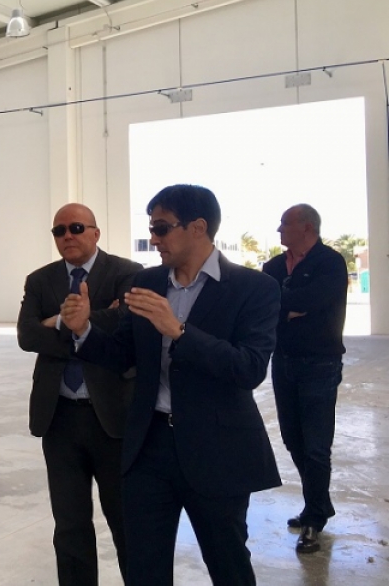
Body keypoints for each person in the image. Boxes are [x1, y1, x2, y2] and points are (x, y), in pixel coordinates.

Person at [61, 184, 281, 586]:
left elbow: (249, 368)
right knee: (144, 568)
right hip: (150, 447)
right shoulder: (146, 282)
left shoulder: (254, 288)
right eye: (151, 229)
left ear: (198, 228)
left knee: (228, 564)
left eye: (161, 228)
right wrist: (83, 331)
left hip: (217, 450)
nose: (154, 238)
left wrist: (179, 331)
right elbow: (122, 355)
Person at [17, 203, 140, 586]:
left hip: (113, 420)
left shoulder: (127, 273)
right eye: (59, 231)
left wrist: (59, 322)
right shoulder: (40, 280)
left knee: (127, 522)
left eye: (76, 228)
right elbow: (26, 335)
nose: (67, 236)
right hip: (60, 418)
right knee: (70, 525)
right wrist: (80, 325)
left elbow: (125, 326)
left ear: (96, 233)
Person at [263, 204, 348, 554]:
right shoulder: (272, 266)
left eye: (285, 224)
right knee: (292, 439)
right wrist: (292, 308)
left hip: (320, 364)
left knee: (315, 446)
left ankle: (314, 518)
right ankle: (319, 503)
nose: (279, 230)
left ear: (307, 228)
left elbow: (315, 300)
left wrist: (289, 304)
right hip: (282, 361)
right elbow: (266, 305)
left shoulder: (330, 262)